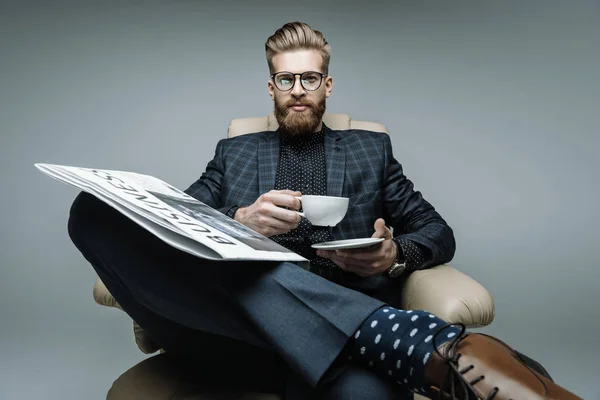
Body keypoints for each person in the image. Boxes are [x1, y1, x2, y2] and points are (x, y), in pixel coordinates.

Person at [67, 22, 582, 399]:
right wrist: (238, 221)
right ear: (271, 87)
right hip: (238, 337)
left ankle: (374, 336)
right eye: (286, 81)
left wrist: (394, 254)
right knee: (92, 210)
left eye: (309, 80)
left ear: (326, 86)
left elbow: (438, 232)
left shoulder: (368, 150)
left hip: (348, 351)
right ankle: (400, 336)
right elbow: (168, 224)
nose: (298, 92)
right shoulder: (235, 155)